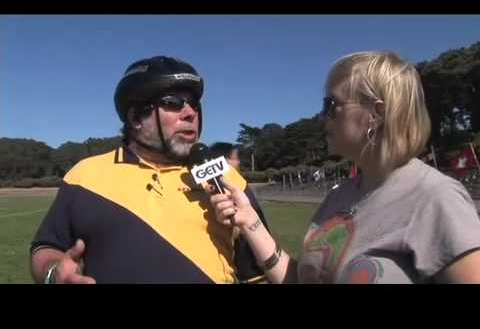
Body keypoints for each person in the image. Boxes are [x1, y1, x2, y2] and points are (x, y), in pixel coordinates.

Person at [208, 51, 480, 284]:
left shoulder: (436, 198)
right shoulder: (338, 197)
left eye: (332, 104)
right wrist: (249, 220)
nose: (323, 116)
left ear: (377, 113)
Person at [30, 55, 268, 284]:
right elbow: (45, 248)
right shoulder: (84, 177)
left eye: (194, 104)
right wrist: (53, 274)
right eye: (173, 103)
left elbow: (258, 273)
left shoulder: (226, 177)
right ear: (135, 118)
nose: (190, 113)